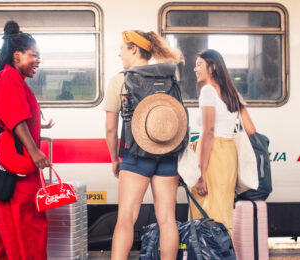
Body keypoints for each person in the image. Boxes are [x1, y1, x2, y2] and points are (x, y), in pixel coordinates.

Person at [104, 30, 184, 260]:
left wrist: (114, 158)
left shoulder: (120, 80)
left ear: (134, 49)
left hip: (135, 156)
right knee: (167, 218)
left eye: (122, 48)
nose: (119, 53)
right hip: (167, 154)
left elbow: (110, 129)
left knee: (126, 217)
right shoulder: (169, 77)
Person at [0, 21, 53, 260]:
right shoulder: (11, 77)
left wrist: (37, 125)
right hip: (17, 173)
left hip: (5, 171)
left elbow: (7, 116)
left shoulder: (5, 77)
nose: (38, 61)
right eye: (34, 55)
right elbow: (14, 118)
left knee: (5, 231)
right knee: (26, 230)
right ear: (17, 55)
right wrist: (34, 151)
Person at [191, 49, 256, 236]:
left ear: (212, 67)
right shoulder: (231, 92)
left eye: (199, 64)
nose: (195, 69)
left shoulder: (208, 91)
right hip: (228, 155)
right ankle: (224, 252)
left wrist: (201, 174)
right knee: (222, 213)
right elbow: (250, 129)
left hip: (213, 155)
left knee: (206, 215)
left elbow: (209, 132)